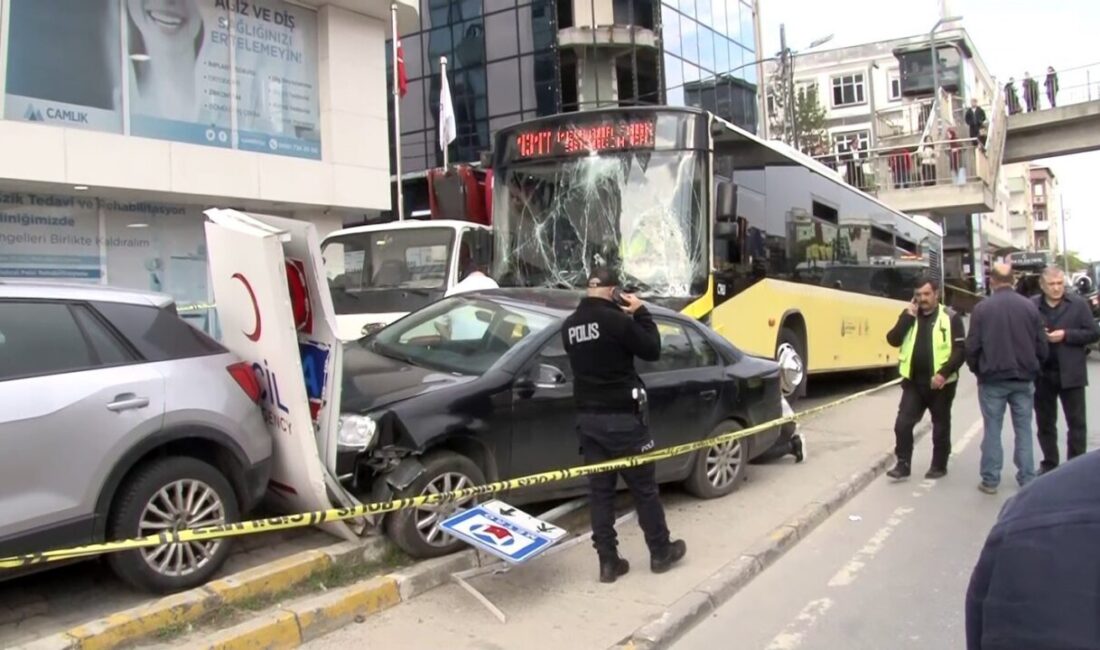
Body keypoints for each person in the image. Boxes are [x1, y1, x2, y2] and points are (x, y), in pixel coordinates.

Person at [561, 267, 686, 583]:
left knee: (600, 494)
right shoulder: (616, 321)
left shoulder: (569, 326)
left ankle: (608, 562)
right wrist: (641, 312)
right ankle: (660, 552)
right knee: (644, 489)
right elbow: (652, 349)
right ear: (613, 291)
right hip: (624, 419)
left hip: (589, 421)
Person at [965, 449, 1100, 650]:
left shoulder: (1033, 509)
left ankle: (993, 477)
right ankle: (1024, 472)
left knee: (1003, 424)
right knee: (1022, 425)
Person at [965, 263, 1048, 494]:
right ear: (1013, 280)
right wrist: (1036, 367)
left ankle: (991, 479)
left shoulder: (982, 309)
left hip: (992, 379)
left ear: (992, 281)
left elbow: (972, 346)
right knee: (1023, 429)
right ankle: (1027, 477)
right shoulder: (1029, 307)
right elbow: (1042, 344)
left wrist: (978, 370)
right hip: (1023, 378)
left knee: (992, 429)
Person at [884, 275, 966, 480]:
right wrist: (906, 317)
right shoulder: (910, 316)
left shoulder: (950, 317)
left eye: (927, 294)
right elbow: (893, 340)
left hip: (941, 383)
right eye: (918, 294)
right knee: (902, 424)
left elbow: (960, 351)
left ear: (936, 294)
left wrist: (943, 374)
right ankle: (903, 464)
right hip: (913, 382)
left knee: (940, 425)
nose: (922, 298)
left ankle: (939, 464)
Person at [1032, 266, 1100, 473]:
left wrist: (1066, 335)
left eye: (1060, 283)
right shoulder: (1032, 306)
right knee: (1045, 423)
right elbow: (1023, 333)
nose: (1056, 288)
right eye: (1051, 284)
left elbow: (1093, 333)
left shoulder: (1078, 305)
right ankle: (1050, 463)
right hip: (1043, 373)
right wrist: (1039, 336)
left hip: (1072, 373)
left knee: (1077, 424)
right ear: (1042, 286)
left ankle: (1074, 467)